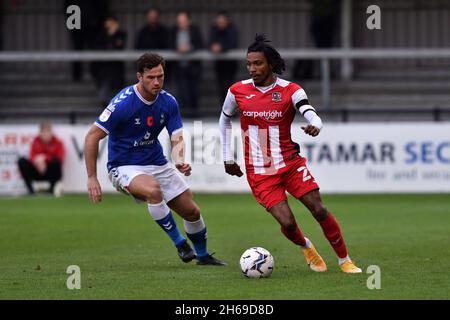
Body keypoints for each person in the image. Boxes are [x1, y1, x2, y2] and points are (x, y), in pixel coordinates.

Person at [219, 35, 361, 273]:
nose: (252, 69)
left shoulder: (290, 90)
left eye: (258, 63)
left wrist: (317, 124)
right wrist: (227, 157)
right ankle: (306, 247)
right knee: (287, 221)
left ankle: (344, 260)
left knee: (319, 209)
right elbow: (224, 120)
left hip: (290, 164)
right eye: (249, 64)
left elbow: (310, 111)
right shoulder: (237, 91)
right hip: (260, 170)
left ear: (270, 64)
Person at [84, 53, 226, 266]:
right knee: (153, 191)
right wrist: (92, 177)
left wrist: (179, 160)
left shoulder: (168, 102)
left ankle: (203, 256)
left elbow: (176, 136)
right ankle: (180, 244)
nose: (157, 82)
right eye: (151, 77)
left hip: (157, 163)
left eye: (160, 76)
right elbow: (92, 136)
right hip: (124, 166)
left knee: (192, 211)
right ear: (139, 76)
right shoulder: (123, 103)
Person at [169, 10, 204, 118]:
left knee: (193, 92)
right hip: (179, 68)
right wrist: (177, 48)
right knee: (181, 93)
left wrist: (190, 48)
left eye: (183, 21)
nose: (181, 23)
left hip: (192, 67)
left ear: (189, 21)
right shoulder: (173, 31)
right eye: (179, 21)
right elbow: (168, 43)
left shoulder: (195, 30)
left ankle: (195, 118)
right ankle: (183, 118)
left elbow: (201, 44)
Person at [18, 123, 65, 195]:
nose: (45, 135)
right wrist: (37, 162)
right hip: (37, 170)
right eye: (43, 133)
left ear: (51, 133)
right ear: (40, 133)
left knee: (56, 162)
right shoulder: (35, 141)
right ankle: (30, 190)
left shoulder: (58, 142)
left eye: (47, 132)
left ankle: (51, 190)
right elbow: (31, 156)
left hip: (50, 171)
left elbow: (60, 158)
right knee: (21, 161)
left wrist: (44, 159)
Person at [91, 15, 127, 107]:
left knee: (118, 101)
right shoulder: (100, 35)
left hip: (117, 72)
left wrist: (113, 35)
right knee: (104, 99)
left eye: (112, 23)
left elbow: (119, 48)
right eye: (108, 22)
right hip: (103, 72)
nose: (109, 25)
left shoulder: (121, 34)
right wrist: (110, 36)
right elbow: (99, 48)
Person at [208, 11, 239, 102]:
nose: (220, 24)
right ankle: (224, 110)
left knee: (230, 88)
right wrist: (212, 47)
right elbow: (209, 42)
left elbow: (232, 43)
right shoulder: (214, 29)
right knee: (221, 88)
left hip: (230, 65)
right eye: (218, 22)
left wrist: (220, 47)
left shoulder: (233, 29)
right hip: (219, 64)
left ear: (227, 21)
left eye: (222, 22)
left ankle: (232, 111)